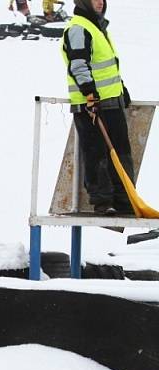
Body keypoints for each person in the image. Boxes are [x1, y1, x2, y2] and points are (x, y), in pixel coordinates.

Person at [62, 0, 133, 215]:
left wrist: (121, 88)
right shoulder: (78, 28)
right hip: (91, 105)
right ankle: (103, 201)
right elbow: (78, 65)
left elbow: (106, 65)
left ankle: (123, 199)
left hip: (112, 102)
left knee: (121, 152)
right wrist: (89, 93)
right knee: (96, 154)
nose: (100, 3)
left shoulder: (98, 28)